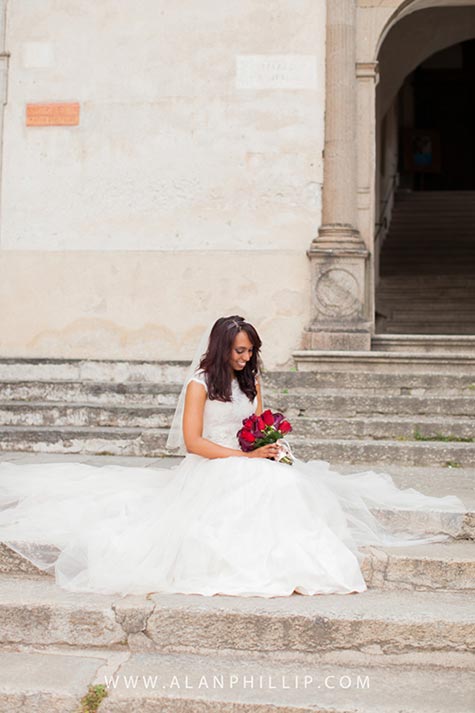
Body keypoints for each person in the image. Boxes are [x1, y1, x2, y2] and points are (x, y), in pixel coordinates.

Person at [0, 315, 466, 598]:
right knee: (257, 483)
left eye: (252, 350)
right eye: (241, 350)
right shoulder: (200, 384)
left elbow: (257, 425)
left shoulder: (252, 381)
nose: (247, 357)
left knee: (284, 481)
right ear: (224, 348)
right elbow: (193, 443)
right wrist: (244, 459)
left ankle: (295, 557)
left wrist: (270, 444)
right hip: (210, 464)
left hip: (247, 457)